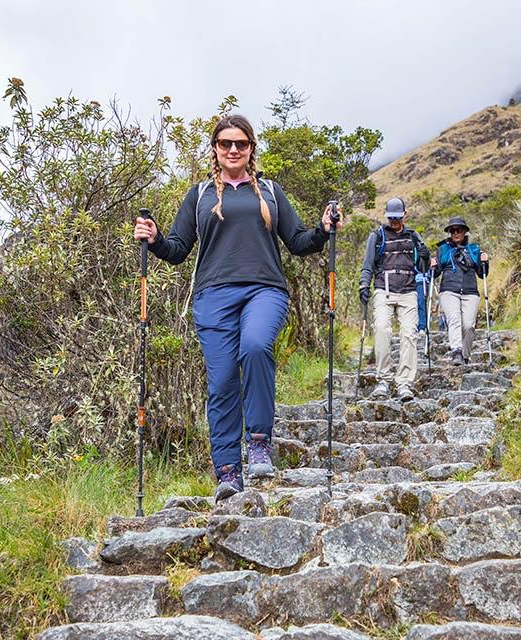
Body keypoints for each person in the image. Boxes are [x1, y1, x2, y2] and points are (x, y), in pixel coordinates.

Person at [133, 114, 339, 502]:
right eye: (225, 143)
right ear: (214, 148)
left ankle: (259, 441)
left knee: (257, 346)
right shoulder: (199, 194)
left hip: (265, 290)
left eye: (240, 144)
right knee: (223, 379)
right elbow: (177, 250)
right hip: (213, 296)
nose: (232, 150)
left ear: (250, 149)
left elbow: (297, 241)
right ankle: (228, 470)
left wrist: (324, 229)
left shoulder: (271, 193)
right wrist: (155, 237)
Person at [359, 197, 429, 402]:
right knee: (382, 329)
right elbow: (368, 263)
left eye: (398, 218)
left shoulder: (414, 236)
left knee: (409, 334)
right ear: (387, 216)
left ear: (405, 215)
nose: (395, 222)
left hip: (408, 291)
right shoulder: (377, 236)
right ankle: (383, 379)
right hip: (384, 289)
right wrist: (364, 284)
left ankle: (404, 383)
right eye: (391, 218)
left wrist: (425, 256)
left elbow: (424, 269)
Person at [431, 216, 489, 366]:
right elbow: (436, 273)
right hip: (449, 289)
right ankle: (456, 351)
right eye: (453, 230)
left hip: (470, 291)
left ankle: (465, 355)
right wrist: (431, 265)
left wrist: (485, 262)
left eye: (459, 230)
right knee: (454, 318)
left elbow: (482, 274)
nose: (456, 233)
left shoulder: (474, 249)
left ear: (464, 232)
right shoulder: (443, 249)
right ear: (450, 232)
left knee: (469, 325)